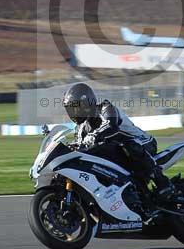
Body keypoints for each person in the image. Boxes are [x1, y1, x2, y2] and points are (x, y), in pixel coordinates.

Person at [61, 82, 174, 219]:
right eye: (71, 109)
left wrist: (94, 136)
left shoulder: (105, 108)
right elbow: (80, 146)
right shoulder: (81, 128)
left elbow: (111, 126)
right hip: (119, 154)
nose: (74, 113)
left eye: (77, 107)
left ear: (87, 103)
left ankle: (161, 181)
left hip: (143, 143)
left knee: (128, 144)